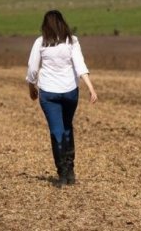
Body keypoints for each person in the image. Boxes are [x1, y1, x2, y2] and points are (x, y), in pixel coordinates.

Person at [26, 10, 98, 187]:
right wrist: (91, 87)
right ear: (62, 23)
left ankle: (63, 175)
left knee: (57, 131)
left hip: (49, 93)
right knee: (67, 128)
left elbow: (33, 68)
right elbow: (80, 65)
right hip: (70, 92)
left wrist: (31, 87)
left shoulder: (40, 42)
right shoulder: (72, 41)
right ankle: (71, 171)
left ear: (45, 25)